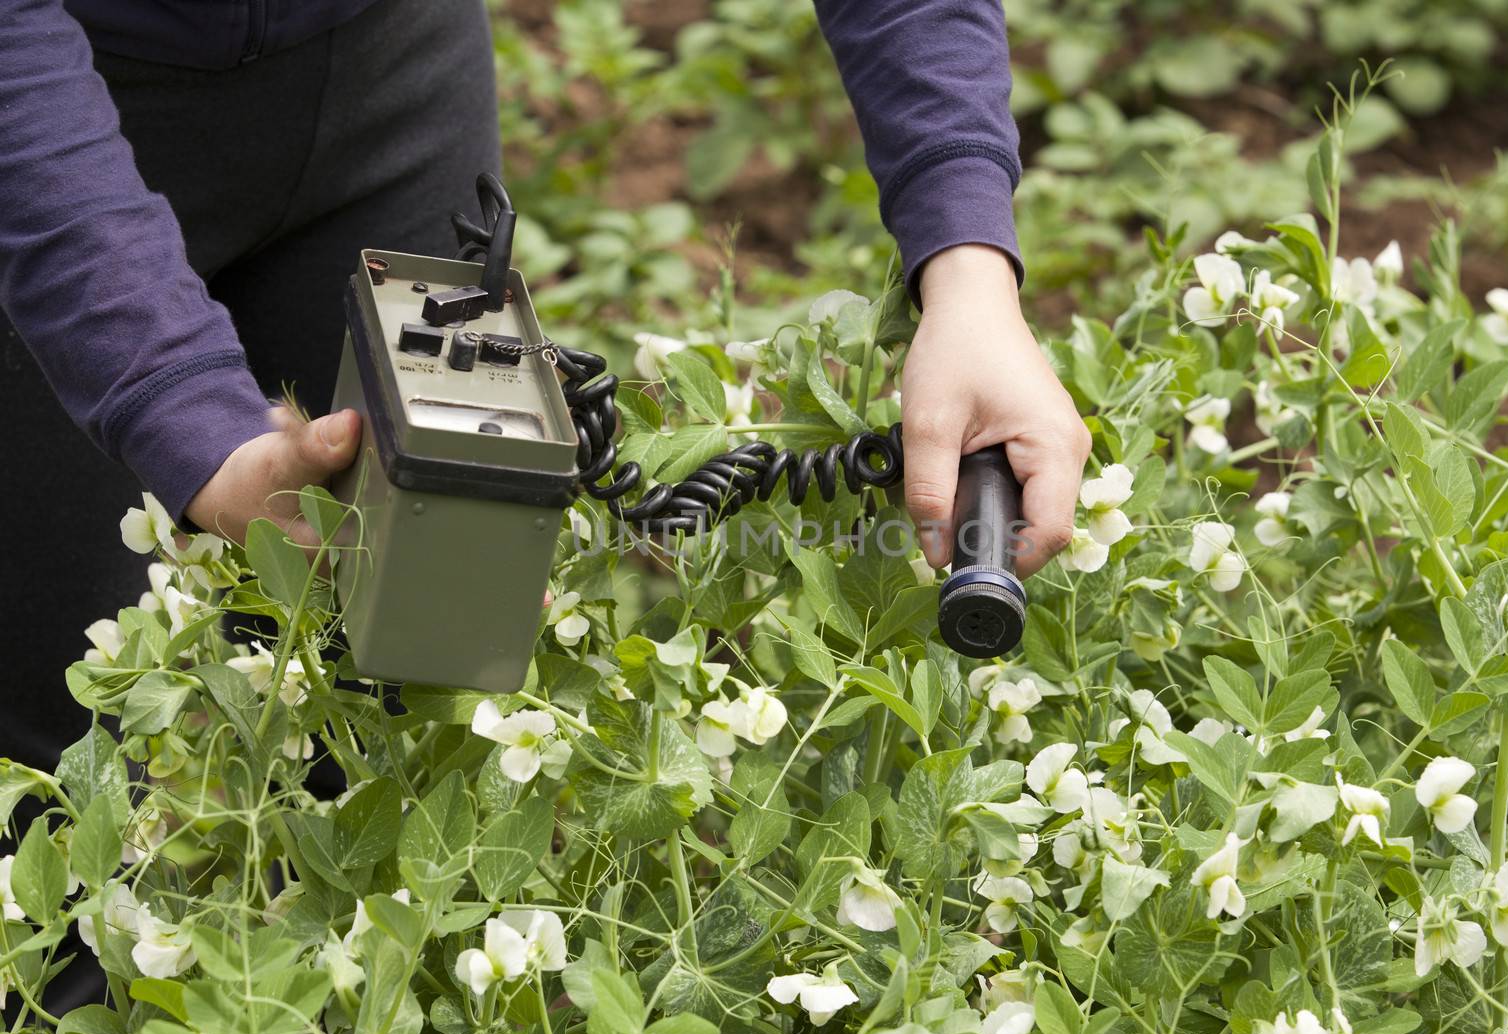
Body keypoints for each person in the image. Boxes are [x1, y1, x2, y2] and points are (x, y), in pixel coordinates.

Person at [0, 0, 1091, 781]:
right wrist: (182, 407)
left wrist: (967, 269)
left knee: (416, 697)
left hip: (386, 72)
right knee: (68, 774)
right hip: (47, 115)